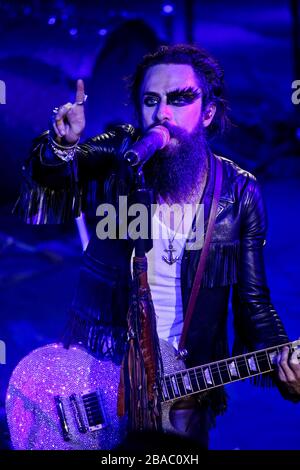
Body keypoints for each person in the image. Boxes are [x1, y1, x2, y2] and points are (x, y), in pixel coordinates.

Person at [14, 44, 300, 449]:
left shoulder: (238, 193)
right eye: (151, 100)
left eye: (180, 99)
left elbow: (254, 302)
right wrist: (62, 144)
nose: (162, 113)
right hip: (100, 381)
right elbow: (55, 178)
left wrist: (283, 366)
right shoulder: (122, 157)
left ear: (208, 113)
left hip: (184, 390)